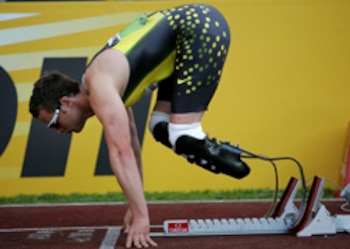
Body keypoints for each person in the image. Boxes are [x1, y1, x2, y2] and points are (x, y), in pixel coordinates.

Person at [29, 4, 250, 248]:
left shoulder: (99, 84)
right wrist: (137, 206)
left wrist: (143, 218)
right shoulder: (106, 87)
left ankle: (239, 159)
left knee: (182, 134)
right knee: (159, 126)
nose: (58, 131)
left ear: (66, 102)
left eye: (53, 123)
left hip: (200, 27)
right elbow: (132, 146)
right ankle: (228, 155)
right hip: (186, 40)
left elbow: (121, 152)